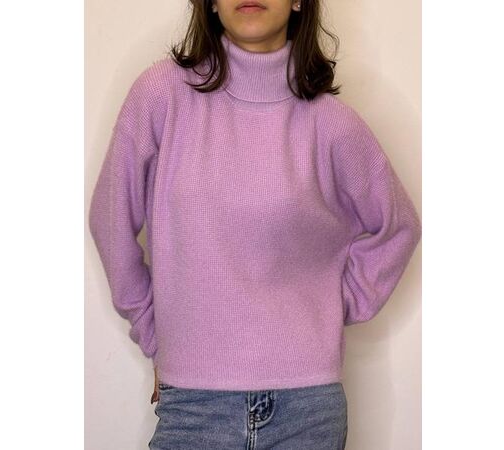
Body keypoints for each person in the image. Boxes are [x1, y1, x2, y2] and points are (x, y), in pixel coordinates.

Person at [88, 0, 422, 448]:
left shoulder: (332, 123)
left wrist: (328, 308)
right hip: (193, 407)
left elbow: (398, 227)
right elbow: (110, 220)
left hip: (308, 409)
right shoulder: (161, 95)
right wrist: (155, 332)